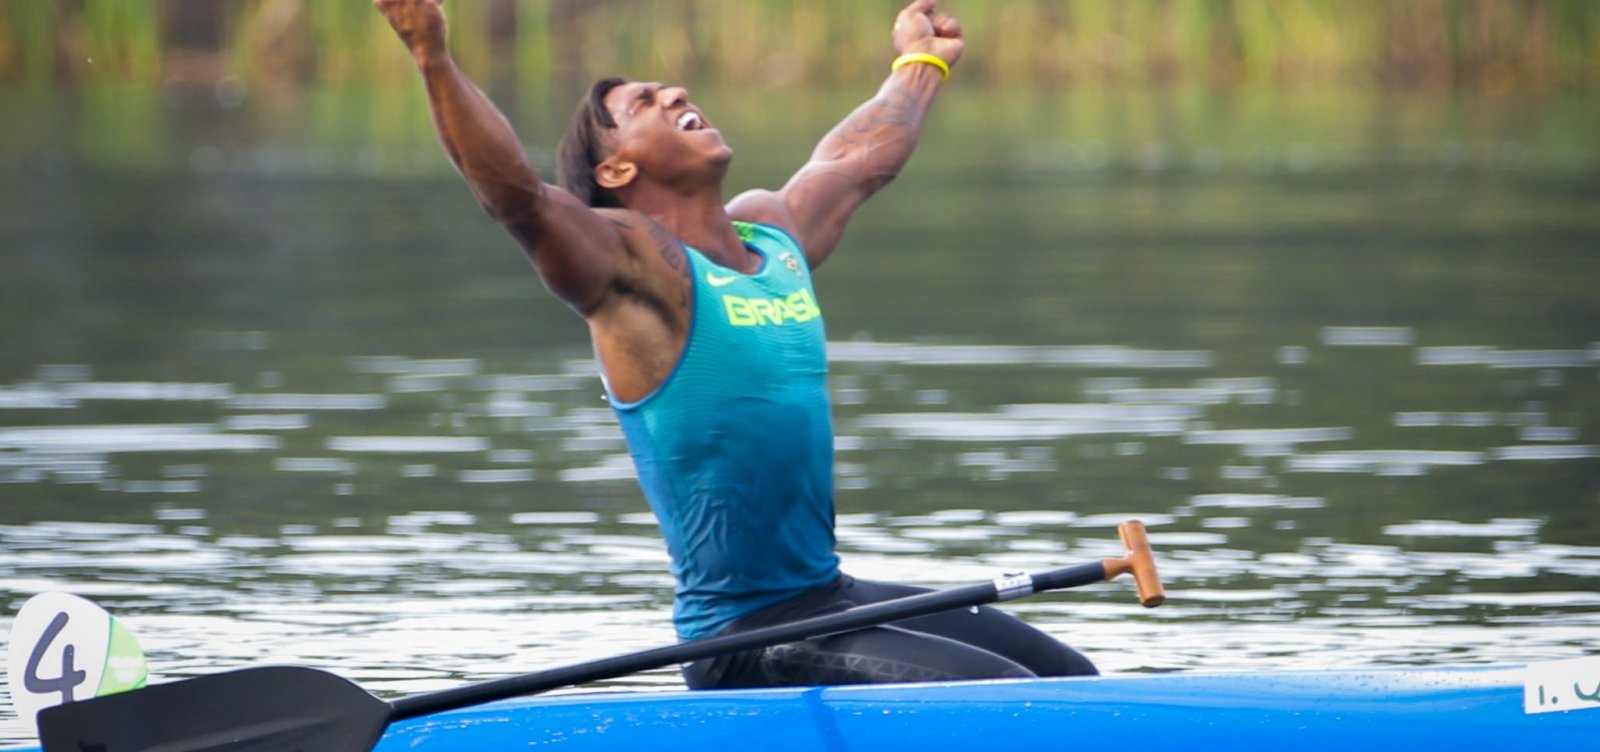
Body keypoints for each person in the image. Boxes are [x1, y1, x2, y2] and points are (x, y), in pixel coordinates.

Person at [374, 0, 1097, 687]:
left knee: (1071, 680)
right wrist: (432, 55)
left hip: (824, 597)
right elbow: (518, 200)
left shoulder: (768, 237)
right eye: (642, 104)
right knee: (1011, 694)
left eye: (664, 88)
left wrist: (920, 63)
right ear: (616, 170)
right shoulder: (632, 269)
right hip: (742, 638)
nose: (674, 92)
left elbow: (859, 159)